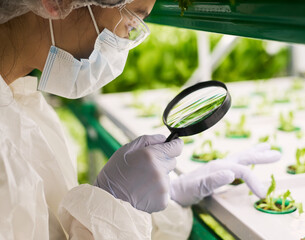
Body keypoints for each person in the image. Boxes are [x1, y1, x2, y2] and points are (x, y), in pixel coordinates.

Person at [0, 0, 282, 239]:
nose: (125, 40)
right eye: (133, 19)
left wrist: (163, 207)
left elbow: (54, 228)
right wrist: (117, 199)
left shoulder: (21, 103)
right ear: (56, 3)